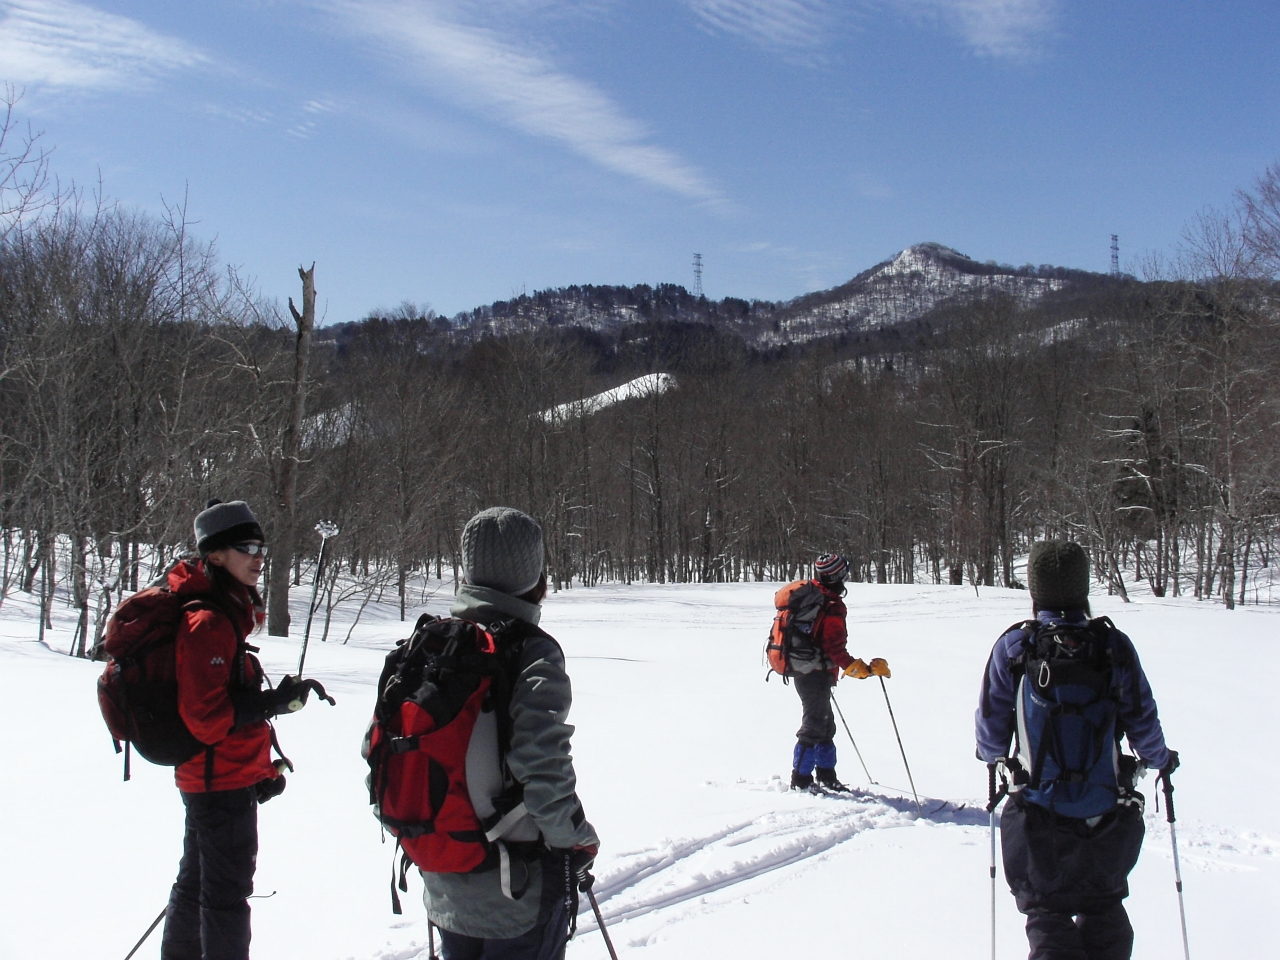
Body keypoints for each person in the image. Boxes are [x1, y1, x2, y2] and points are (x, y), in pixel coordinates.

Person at [975, 540, 1178, 960]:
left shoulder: (1016, 646)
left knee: (1047, 915)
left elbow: (990, 732)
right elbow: (1142, 720)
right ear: (1082, 587)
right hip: (1104, 813)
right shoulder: (1113, 646)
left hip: (1038, 814)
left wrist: (994, 756)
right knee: (1104, 911)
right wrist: (1161, 760)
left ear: (1036, 591)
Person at [423, 506, 600, 960]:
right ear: (534, 574)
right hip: (518, 886)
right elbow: (542, 764)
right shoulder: (531, 652)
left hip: (444, 875)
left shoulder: (430, 645)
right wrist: (574, 837)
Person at [162, 500, 331, 960]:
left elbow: (225, 715)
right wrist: (271, 703)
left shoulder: (223, 613)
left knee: (197, 881)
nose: (258, 558)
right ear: (215, 555)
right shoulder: (208, 622)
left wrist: (258, 771)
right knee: (224, 895)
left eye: (261, 548)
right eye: (246, 548)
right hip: (215, 781)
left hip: (218, 776)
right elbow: (207, 718)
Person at [788, 553, 889, 792]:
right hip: (815, 671)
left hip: (806, 668)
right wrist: (861, 670)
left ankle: (826, 776)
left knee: (825, 725)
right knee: (814, 725)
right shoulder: (830, 606)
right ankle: (801, 780)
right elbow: (834, 648)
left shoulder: (813, 596)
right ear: (837, 576)